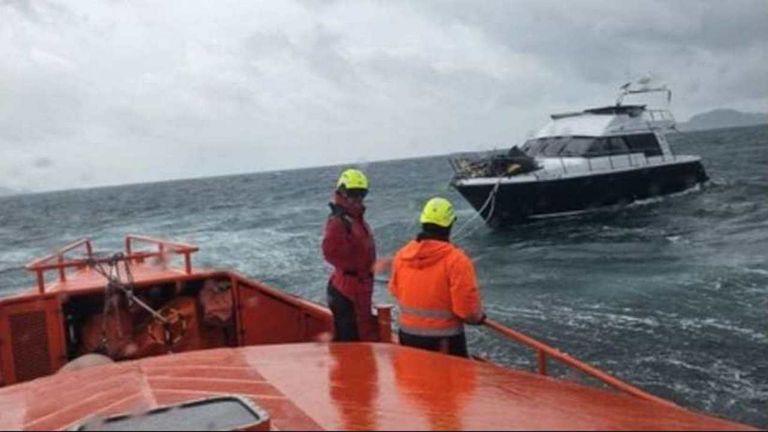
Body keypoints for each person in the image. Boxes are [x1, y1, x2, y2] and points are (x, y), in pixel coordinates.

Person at [388, 197, 485, 357]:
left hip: (408, 336)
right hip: (444, 341)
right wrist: (479, 318)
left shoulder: (402, 256)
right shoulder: (457, 260)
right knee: (451, 381)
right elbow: (466, 310)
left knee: (413, 380)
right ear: (450, 225)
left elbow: (395, 290)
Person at [322, 168, 378, 342]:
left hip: (358, 287)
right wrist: (356, 268)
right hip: (347, 290)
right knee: (350, 340)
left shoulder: (355, 219)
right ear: (343, 192)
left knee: (360, 335)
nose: (358, 198)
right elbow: (330, 253)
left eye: (362, 193)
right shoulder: (339, 222)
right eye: (354, 193)